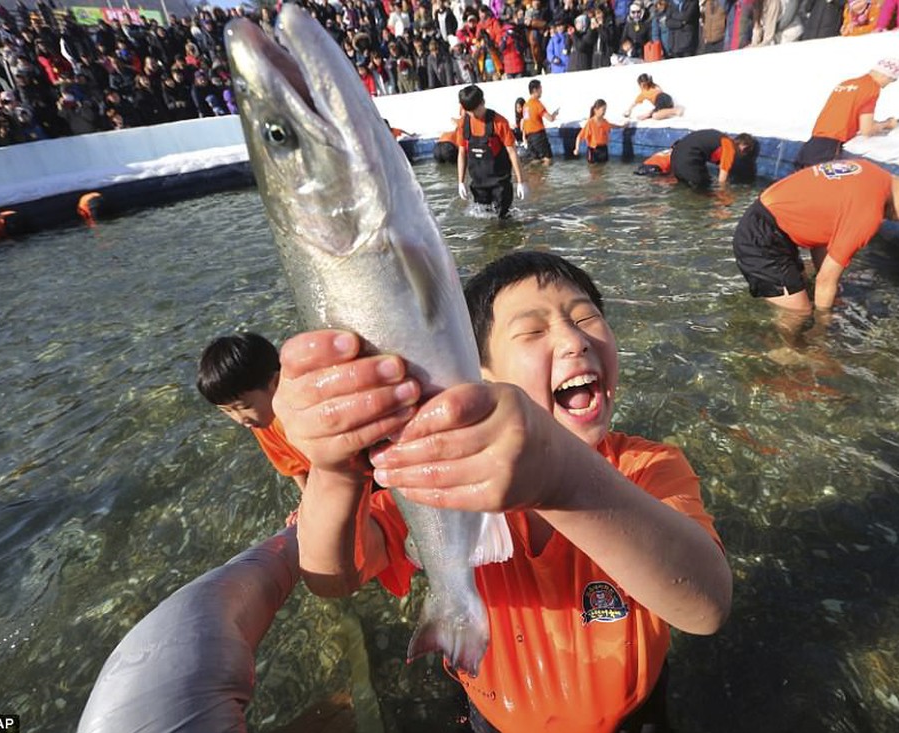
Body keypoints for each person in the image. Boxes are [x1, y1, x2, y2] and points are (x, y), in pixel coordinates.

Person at [272, 251, 733, 732]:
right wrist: (336, 470)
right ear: (481, 375)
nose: (574, 339)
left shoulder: (649, 468)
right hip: (494, 716)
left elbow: (706, 607)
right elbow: (332, 577)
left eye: (587, 317)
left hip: (635, 713)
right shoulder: (438, 479)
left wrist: (565, 480)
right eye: (533, 332)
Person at [731, 159, 899, 317]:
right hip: (761, 239)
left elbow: (825, 231)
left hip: (771, 223)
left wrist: (828, 290)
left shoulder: (868, 170)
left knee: (805, 289)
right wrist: (822, 326)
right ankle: (781, 360)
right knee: (798, 316)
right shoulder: (868, 213)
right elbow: (826, 281)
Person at [196, 332, 310, 526]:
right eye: (227, 411)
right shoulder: (261, 423)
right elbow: (295, 467)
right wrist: (307, 501)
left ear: (276, 383)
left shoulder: (307, 413)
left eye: (244, 406)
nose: (239, 419)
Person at [794, 56, 899, 169]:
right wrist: (887, 124)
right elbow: (867, 130)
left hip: (812, 143)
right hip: (830, 146)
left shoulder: (846, 83)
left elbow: (843, 113)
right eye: (892, 80)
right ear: (885, 75)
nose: (887, 85)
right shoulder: (871, 88)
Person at [455, 84, 527, 219]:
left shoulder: (499, 122)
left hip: (500, 185)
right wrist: (460, 181)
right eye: (468, 112)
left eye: (475, 110)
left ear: (483, 102)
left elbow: (512, 152)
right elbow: (462, 152)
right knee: (483, 220)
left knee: (503, 220)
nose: (473, 115)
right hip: (478, 185)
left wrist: (520, 181)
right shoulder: (463, 123)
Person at [671, 129, 757, 189]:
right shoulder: (729, 147)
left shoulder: (720, 139)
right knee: (703, 190)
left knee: (688, 187)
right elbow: (722, 180)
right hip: (689, 160)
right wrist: (723, 196)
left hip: (675, 159)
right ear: (743, 147)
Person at [572, 98, 625, 163]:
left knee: (603, 170)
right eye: (603, 110)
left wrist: (621, 126)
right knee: (593, 170)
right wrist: (577, 149)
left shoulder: (604, 122)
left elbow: (611, 125)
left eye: (605, 110)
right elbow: (579, 137)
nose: (604, 112)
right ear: (596, 110)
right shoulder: (590, 123)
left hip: (603, 149)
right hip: (593, 150)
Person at [521, 78, 559, 164]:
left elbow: (526, 122)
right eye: (540, 89)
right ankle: (545, 177)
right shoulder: (537, 104)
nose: (541, 91)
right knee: (547, 159)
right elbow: (550, 119)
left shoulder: (526, 106)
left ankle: (535, 177)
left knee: (535, 160)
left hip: (529, 137)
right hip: (539, 136)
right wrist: (555, 114)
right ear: (535, 90)